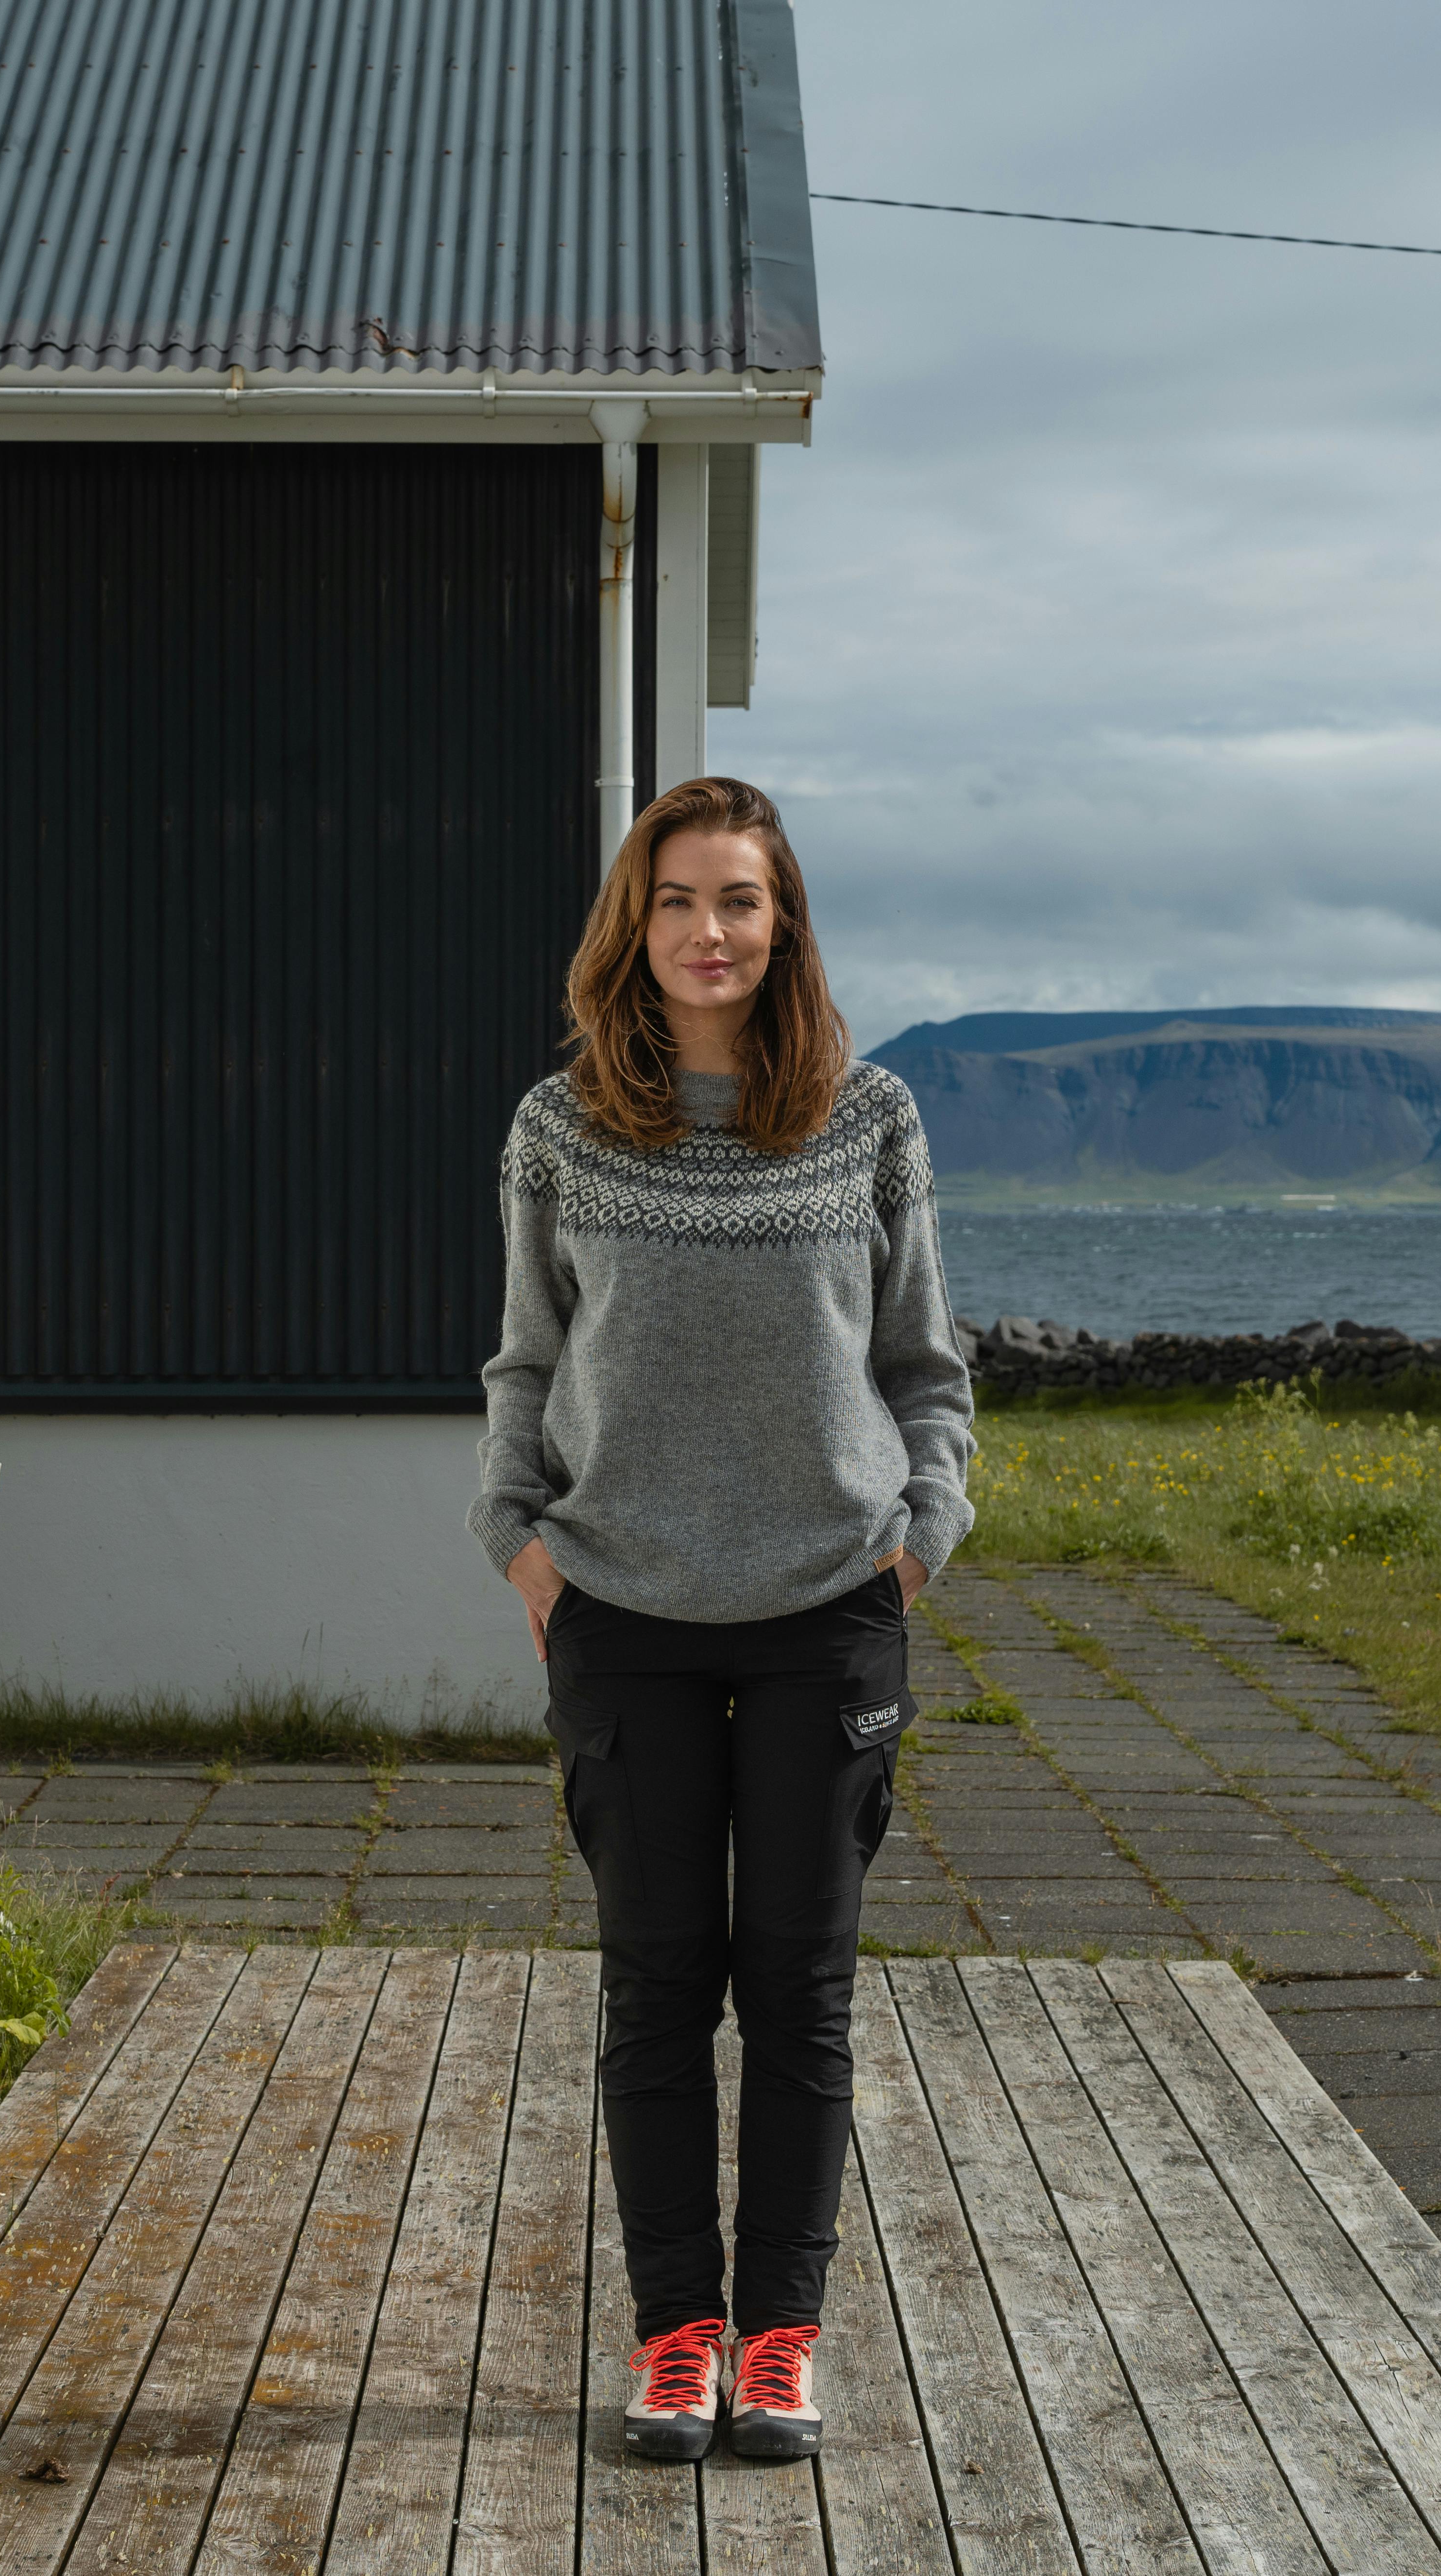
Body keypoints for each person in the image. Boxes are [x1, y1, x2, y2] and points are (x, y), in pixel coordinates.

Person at [472, 775, 975, 2466]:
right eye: (679, 900)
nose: (709, 932)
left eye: (741, 901)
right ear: (639, 922)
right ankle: (677, 2335)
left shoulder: (871, 1118)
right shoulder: (563, 1128)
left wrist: (922, 1535)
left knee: (803, 1995)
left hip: (830, 1612)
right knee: (658, 1986)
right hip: (621, 1612)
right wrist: (520, 1543)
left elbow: (923, 1365)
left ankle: (784, 2341)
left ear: (784, 923)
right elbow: (528, 1362)